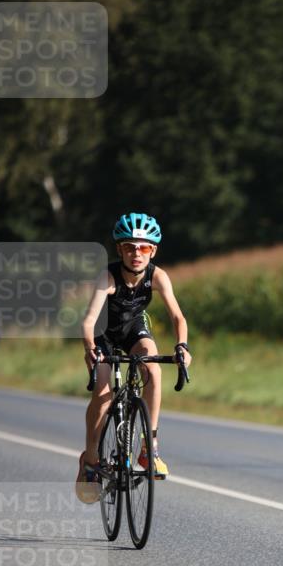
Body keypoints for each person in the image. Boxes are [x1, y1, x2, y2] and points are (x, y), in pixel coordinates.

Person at [75, 212, 192, 503]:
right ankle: (90, 459)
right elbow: (88, 321)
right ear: (120, 249)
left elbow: (178, 317)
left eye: (143, 248)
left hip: (133, 329)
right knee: (103, 394)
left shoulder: (158, 276)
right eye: (129, 247)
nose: (136, 253)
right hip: (102, 334)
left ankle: (148, 447)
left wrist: (182, 347)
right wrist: (90, 349)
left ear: (153, 251)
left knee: (153, 370)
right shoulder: (107, 277)